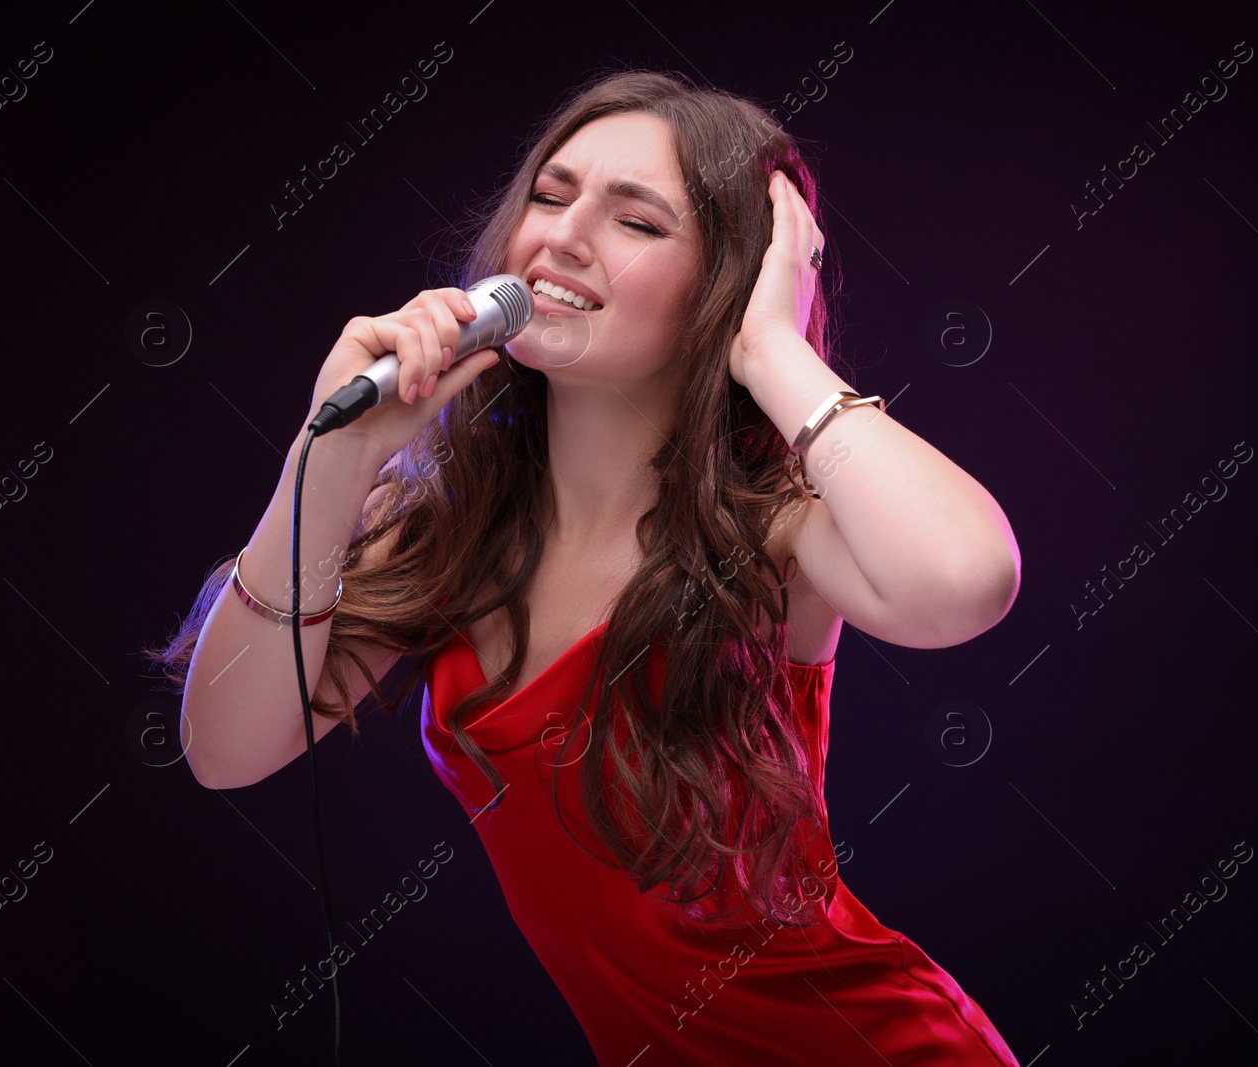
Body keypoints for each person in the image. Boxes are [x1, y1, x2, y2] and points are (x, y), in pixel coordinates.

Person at [147, 68, 1022, 1066]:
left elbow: (966, 578)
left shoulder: (775, 526)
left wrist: (771, 347)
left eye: (636, 221)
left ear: (723, 287)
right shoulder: (445, 523)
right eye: (551, 196)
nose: (559, 237)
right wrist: (328, 453)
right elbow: (226, 748)